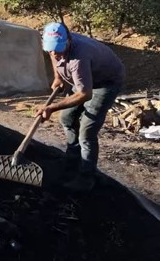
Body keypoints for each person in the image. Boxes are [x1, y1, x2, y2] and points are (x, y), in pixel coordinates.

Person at [37, 22, 125, 191]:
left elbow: (85, 94)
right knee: (67, 118)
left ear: (68, 40)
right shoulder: (55, 47)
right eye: (51, 48)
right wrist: (58, 77)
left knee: (87, 131)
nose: (55, 52)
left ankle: (86, 177)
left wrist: (51, 108)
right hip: (83, 79)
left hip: (105, 82)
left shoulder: (79, 58)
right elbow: (53, 55)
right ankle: (72, 159)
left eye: (59, 48)